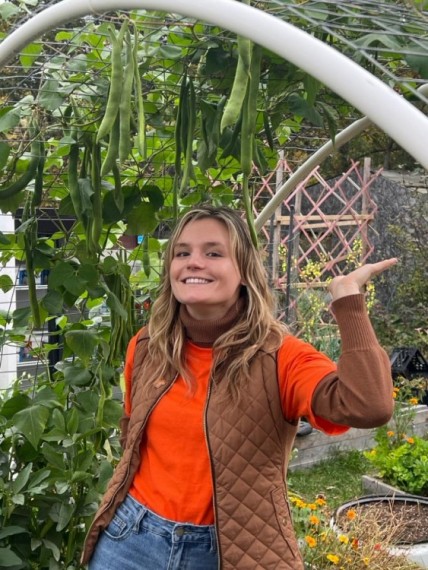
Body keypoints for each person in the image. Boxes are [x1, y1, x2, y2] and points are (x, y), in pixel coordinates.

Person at [82, 205, 396, 570]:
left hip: (227, 551)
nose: (193, 262)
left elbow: (370, 406)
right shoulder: (148, 345)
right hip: (129, 540)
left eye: (213, 253)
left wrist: (347, 300)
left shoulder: (282, 357)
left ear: (245, 271)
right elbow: (133, 433)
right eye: (182, 253)